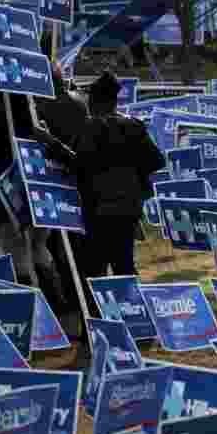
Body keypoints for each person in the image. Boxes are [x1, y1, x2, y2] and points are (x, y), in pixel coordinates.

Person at [0, 82, 75, 306]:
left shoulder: (0, 130)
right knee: (38, 247)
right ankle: (55, 299)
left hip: (11, 201)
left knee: (18, 252)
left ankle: (33, 304)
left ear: (4, 103)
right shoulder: (38, 127)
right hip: (41, 200)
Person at [59, 71, 164, 298]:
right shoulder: (133, 127)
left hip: (98, 209)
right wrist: (133, 172)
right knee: (124, 265)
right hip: (128, 208)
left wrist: (53, 146)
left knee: (95, 270)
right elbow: (157, 161)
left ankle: (98, 321)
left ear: (96, 101)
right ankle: (134, 319)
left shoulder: (91, 128)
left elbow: (77, 165)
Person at [37, 64, 89, 329]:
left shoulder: (44, 110)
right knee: (78, 247)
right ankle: (82, 301)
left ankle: (72, 304)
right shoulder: (81, 102)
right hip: (84, 183)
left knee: (62, 248)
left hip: (57, 181)